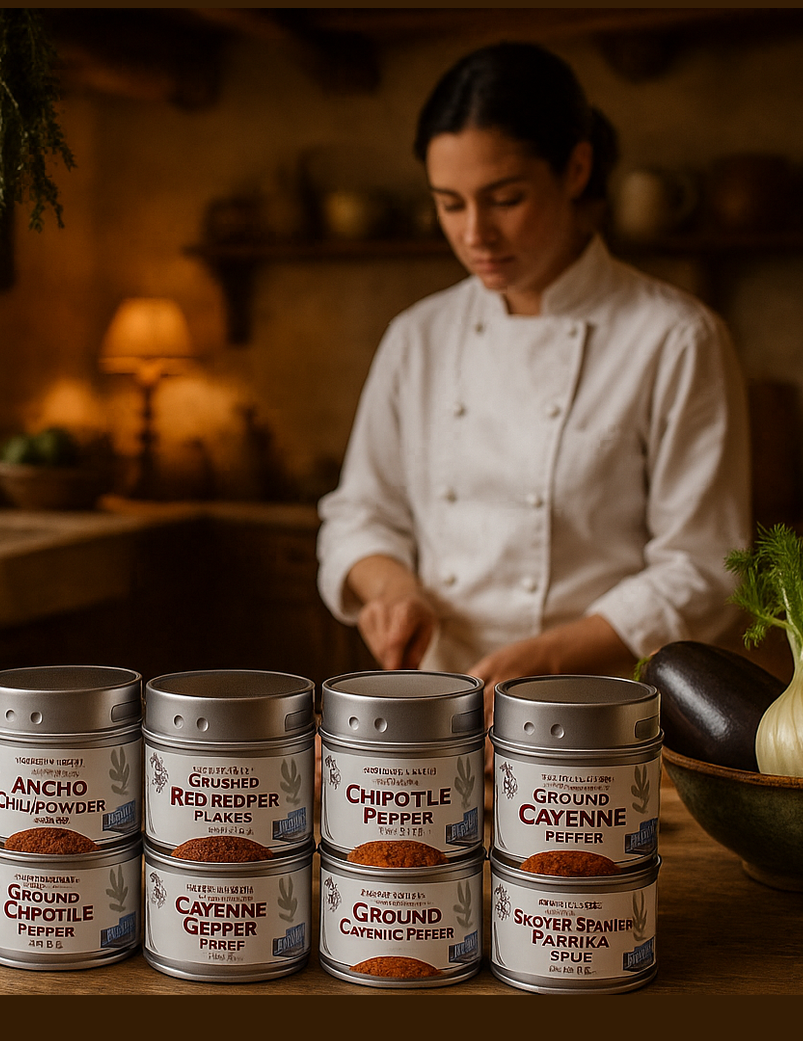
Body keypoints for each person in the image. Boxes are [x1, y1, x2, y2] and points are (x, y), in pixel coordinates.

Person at [316, 42, 752, 706]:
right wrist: (392, 590)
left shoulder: (675, 338)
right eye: (450, 204)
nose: (476, 235)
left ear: (576, 168)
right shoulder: (418, 337)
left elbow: (703, 567)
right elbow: (360, 513)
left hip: (603, 707)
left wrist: (549, 657)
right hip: (441, 699)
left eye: (505, 199)